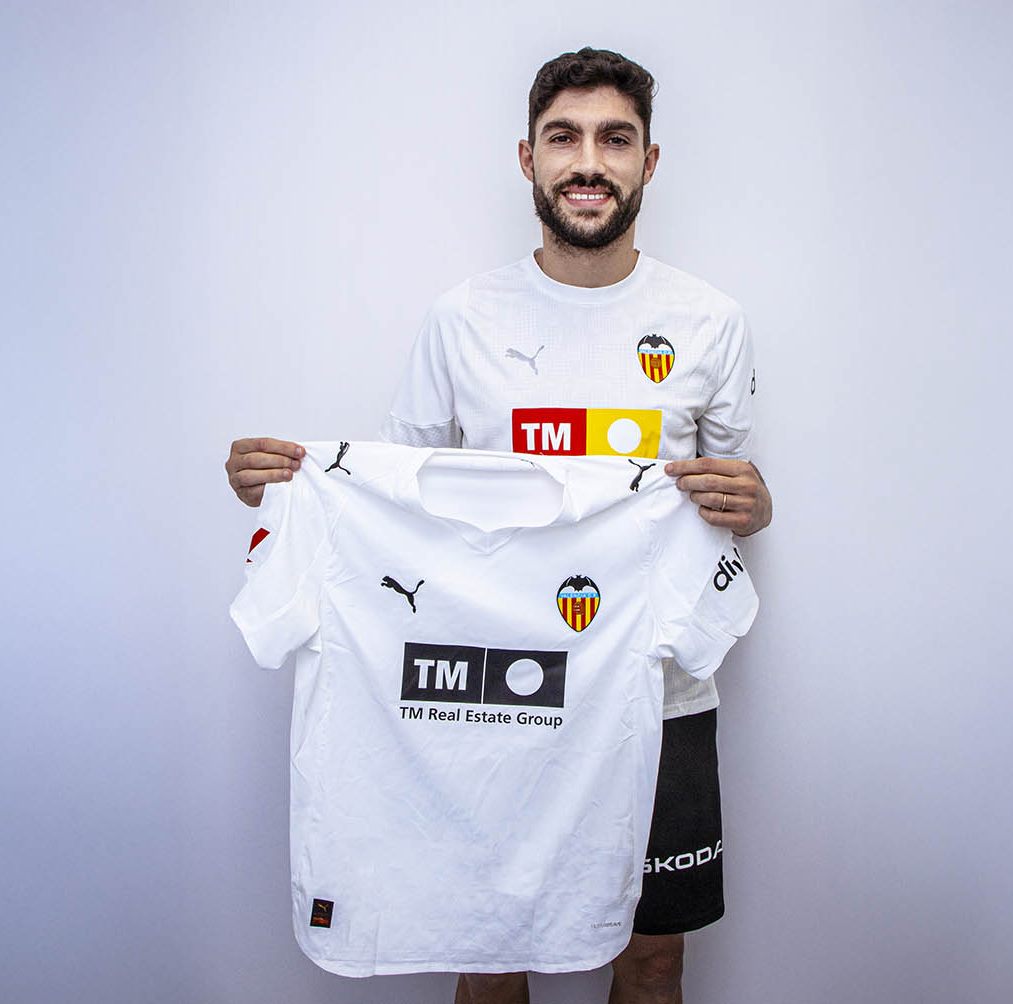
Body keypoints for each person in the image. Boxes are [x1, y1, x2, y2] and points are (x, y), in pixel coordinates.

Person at [226, 47, 771, 1004]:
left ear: (649, 161)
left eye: (615, 139)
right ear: (529, 158)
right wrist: (288, 491)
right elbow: (396, 500)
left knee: (653, 960)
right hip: (495, 701)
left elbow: (725, 501)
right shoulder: (462, 319)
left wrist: (755, 505)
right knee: (489, 954)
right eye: (565, 138)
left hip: (659, 699)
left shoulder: (710, 321)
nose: (589, 162)